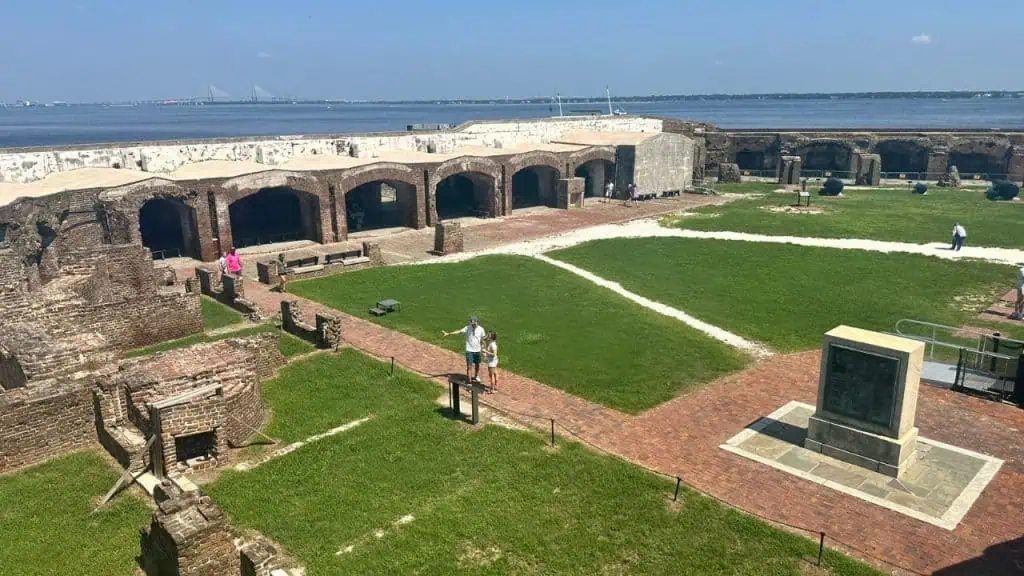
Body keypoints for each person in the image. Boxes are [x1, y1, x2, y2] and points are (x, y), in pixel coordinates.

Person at [442, 315, 487, 384]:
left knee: (477, 365)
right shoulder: (467, 328)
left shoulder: (481, 329)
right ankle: (469, 382)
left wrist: (483, 349)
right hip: (469, 350)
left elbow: (483, 340)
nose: (473, 325)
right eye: (472, 323)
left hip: (477, 350)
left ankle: (476, 376)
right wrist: (449, 333)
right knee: (469, 366)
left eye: (474, 324)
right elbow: (459, 331)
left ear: (477, 322)